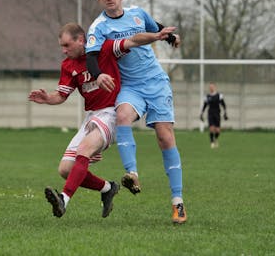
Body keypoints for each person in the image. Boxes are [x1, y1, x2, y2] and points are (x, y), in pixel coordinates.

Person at [29, 23, 175, 218]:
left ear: (81, 40)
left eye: (66, 45)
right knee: (65, 169)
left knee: (84, 150)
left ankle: (63, 199)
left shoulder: (103, 49)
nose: (63, 50)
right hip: (92, 116)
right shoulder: (68, 65)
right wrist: (47, 98)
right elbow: (61, 95)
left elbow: (131, 40)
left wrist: (157, 36)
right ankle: (107, 188)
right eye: (61, 47)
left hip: (112, 112)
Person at [85, 0, 186, 224]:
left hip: (157, 83)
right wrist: (98, 76)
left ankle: (178, 202)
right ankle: (132, 173)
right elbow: (91, 56)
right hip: (130, 86)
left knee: (165, 137)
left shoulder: (138, 13)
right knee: (122, 116)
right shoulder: (98, 27)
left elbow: (155, 28)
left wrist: (170, 37)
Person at [200, 82, 228, 148]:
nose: (211, 88)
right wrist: (202, 113)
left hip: (217, 113)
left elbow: (223, 105)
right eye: (210, 87)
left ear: (215, 87)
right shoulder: (207, 96)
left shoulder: (219, 95)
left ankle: (216, 139)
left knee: (218, 130)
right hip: (210, 113)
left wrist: (225, 113)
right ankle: (212, 142)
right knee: (211, 128)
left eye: (212, 87)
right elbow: (205, 105)